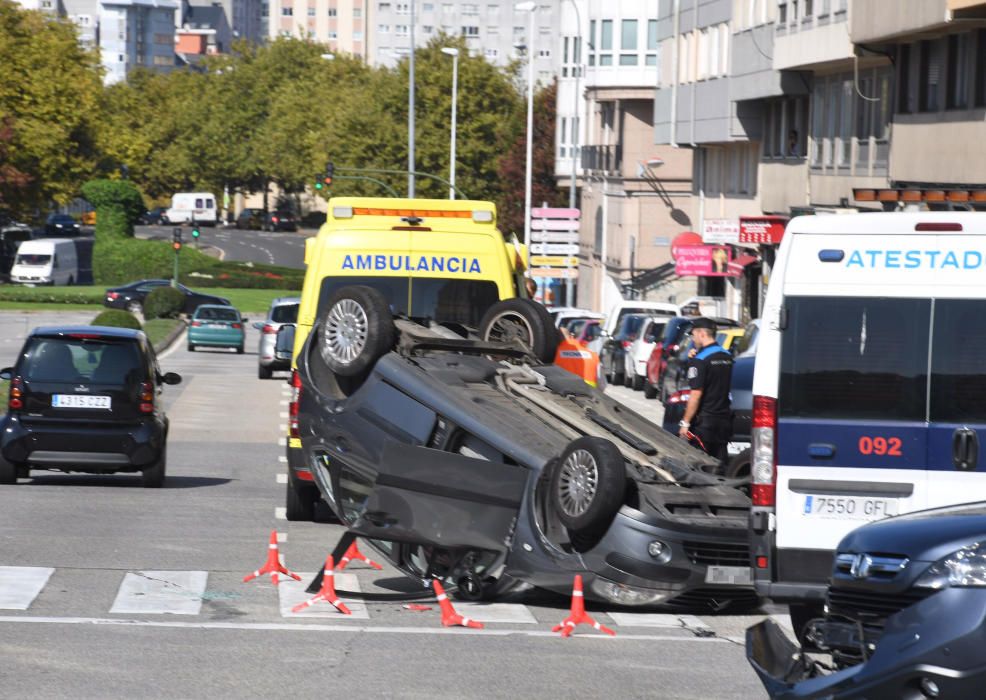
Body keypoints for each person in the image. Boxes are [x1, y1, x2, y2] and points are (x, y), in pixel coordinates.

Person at [678, 317, 734, 462]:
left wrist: (685, 423)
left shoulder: (700, 360)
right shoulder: (727, 356)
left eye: (693, 334)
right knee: (720, 462)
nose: (692, 338)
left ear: (702, 334)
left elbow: (696, 394)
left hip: (705, 423)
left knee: (700, 463)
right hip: (724, 420)